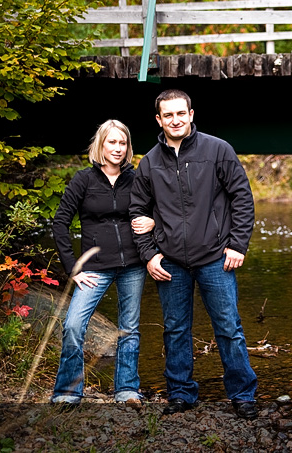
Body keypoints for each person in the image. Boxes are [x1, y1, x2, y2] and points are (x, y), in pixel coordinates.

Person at [129, 89, 258, 419]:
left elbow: (242, 199)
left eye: (180, 113)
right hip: (170, 260)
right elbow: (138, 210)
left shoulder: (218, 150)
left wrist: (237, 245)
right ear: (158, 120)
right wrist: (149, 255)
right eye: (167, 115)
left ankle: (243, 395)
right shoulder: (149, 163)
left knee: (228, 328)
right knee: (175, 329)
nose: (175, 120)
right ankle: (181, 393)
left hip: (216, 256)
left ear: (191, 114)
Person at [51, 119, 154, 405]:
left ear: (128, 147)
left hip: (133, 265)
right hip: (94, 269)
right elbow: (60, 223)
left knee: (129, 328)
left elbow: (160, 210)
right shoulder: (83, 179)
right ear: (101, 144)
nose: (118, 148)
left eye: (123, 143)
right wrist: (73, 268)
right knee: (73, 325)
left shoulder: (137, 180)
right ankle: (68, 392)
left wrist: (153, 221)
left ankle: (127, 389)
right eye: (112, 142)